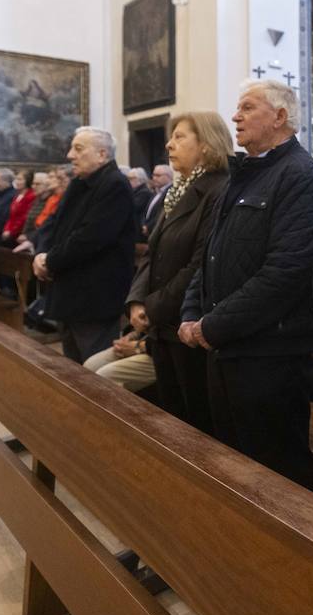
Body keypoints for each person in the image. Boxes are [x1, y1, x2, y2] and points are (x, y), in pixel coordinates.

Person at [179, 81, 313, 486]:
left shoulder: (300, 176)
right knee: (231, 470)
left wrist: (212, 325)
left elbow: (287, 272)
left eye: (247, 108)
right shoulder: (242, 176)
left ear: (280, 117)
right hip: (229, 351)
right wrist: (192, 311)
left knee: (272, 479)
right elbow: (209, 257)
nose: (235, 117)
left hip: (270, 359)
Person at [88, 113, 233, 404]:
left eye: (179, 137)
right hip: (161, 325)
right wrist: (138, 300)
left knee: (189, 417)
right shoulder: (177, 191)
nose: (169, 145)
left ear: (206, 144)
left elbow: (199, 263)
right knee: (168, 409)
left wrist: (152, 308)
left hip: (186, 323)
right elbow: (152, 253)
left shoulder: (219, 190)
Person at [34, 127, 136, 363]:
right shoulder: (79, 182)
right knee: (72, 366)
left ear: (102, 154)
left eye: (78, 149)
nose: (70, 155)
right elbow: (53, 223)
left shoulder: (115, 185)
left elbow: (89, 238)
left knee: (92, 369)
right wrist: (40, 253)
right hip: (69, 290)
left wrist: (49, 260)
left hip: (94, 296)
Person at [1, 172, 37, 246]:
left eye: (20, 179)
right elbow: (11, 216)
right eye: (16, 179)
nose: (16, 182)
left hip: (19, 233)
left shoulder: (31, 196)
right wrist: (6, 229)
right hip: (10, 232)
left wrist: (11, 231)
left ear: (28, 181)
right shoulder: (17, 195)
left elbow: (24, 217)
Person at [141, 164, 174, 237]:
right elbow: (146, 212)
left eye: (158, 175)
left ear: (168, 176)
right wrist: (143, 225)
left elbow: (161, 214)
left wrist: (148, 228)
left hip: (158, 233)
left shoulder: (171, 192)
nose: (154, 178)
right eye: (153, 175)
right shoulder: (156, 192)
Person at [128, 166, 155, 232]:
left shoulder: (144, 192)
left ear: (140, 179)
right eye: (128, 178)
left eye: (131, 178)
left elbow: (132, 207)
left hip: (139, 227)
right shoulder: (134, 191)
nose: (128, 180)